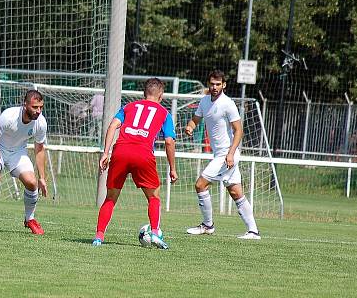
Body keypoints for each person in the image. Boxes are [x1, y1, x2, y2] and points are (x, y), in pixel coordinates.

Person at [92, 78, 177, 249]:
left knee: (110, 198)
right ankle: (154, 233)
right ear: (161, 95)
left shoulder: (129, 107)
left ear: (144, 93)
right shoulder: (164, 113)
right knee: (153, 197)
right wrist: (172, 168)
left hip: (120, 152)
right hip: (143, 154)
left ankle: (99, 237)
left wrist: (106, 152)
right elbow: (169, 141)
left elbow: (112, 126)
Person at [184, 70, 260, 239]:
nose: (214, 87)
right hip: (219, 154)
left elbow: (238, 130)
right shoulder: (204, 101)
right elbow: (195, 120)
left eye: (218, 84)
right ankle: (253, 231)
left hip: (226, 154)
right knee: (236, 192)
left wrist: (231, 154)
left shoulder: (228, 104)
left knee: (200, 184)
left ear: (224, 85)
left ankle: (207, 225)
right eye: (212, 84)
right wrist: (190, 127)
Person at [0, 89, 48, 235]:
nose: (38, 111)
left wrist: (42, 178)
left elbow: (40, 149)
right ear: (25, 105)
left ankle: (29, 219)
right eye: (35, 107)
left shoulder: (41, 123)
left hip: (18, 152)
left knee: (32, 183)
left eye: (41, 107)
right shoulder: (9, 116)